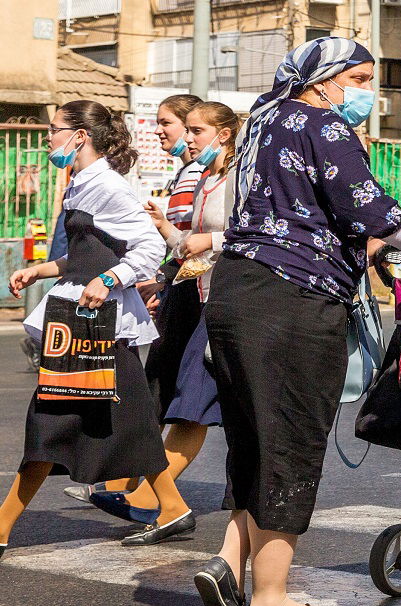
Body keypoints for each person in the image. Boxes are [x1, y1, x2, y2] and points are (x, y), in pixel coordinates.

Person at [192, 37, 401, 606]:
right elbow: (370, 209)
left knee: (254, 437)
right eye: (362, 77)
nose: (370, 90)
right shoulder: (323, 125)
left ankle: (228, 563)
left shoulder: (263, 125)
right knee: (290, 439)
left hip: (237, 292)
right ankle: (270, 598)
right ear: (323, 80)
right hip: (292, 300)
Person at [1, 100, 195, 559]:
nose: (48, 138)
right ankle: (172, 506)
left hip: (101, 325)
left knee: (49, 420)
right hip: (83, 320)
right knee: (130, 423)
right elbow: (94, 250)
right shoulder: (82, 183)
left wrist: (109, 281)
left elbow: (147, 246)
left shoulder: (107, 185)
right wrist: (42, 269)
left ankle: (3, 524)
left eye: (54, 130)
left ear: (79, 136)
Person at [87, 102, 240, 529]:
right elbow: (191, 245)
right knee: (188, 399)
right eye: (185, 130)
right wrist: (169, 233)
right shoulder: (208, 179)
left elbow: (256, 236)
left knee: (198, 401)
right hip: (201, 296)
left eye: (196, 130)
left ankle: (156, 496)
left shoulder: (240, 179)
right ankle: (151, 495)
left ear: (224, 134)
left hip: (232, 302)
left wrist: (205, 239)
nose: (188, 139)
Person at [63, 93, 206, 504]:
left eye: (172, 124)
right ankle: (128, 482)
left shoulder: (205, 176)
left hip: (200, 297)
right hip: (178, 290)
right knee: (155, 392)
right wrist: (161, 279)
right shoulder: (185, 175)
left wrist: (147, 277)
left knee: (189, 400)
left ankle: (151, 496)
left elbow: (194, 242)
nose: (160, 130)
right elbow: (174, 244)